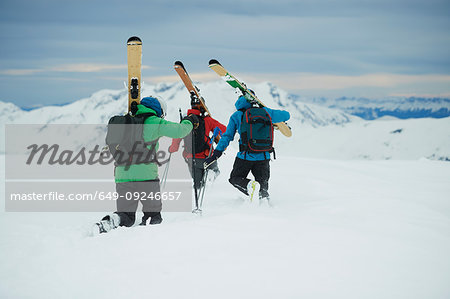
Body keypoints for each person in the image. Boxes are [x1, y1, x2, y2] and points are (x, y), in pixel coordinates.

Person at [96, 96, 198, 233]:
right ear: (159, 110)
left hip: (122, 176)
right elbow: (179, 131)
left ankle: (112, 221)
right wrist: (189, 120)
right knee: (153, 215)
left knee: (126, 216)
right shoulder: (154, 122)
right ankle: (147, 241)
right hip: (146, 178)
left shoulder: (126, 122)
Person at [204, 92, 290, 201]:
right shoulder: (267, 112)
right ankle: (265, 208)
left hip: (245, 156)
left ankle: (250, 187)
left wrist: (216, 154)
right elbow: (287, 115)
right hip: (264, 156)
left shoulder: (237, 115)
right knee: (263, 189)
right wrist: (264, 108)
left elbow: (227, 136)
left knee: (235, 178)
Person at [168, 95, 226, 191]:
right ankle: (210, 178)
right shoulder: (207, 120)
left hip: (192, 158)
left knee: (198, 185)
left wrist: (173, 148)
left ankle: (199, 189)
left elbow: (177, 136)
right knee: (215, 171)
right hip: (207, 157)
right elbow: (224, 130)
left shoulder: (185, 121)